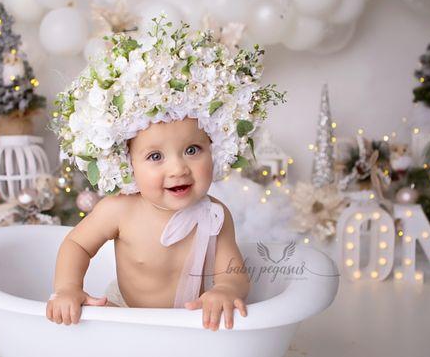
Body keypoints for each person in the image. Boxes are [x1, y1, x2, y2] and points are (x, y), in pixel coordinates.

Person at [45, 16, 285, 331]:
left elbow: (232, 270)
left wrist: (226, 289)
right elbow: (77, 245)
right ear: (127, 163)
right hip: (127, 312)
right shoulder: (119, 210)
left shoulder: (215, 215)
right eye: (155, 156)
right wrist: (67, 288)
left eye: (192, 150)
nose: (178, 168)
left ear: (214, 147)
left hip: (191, 317)